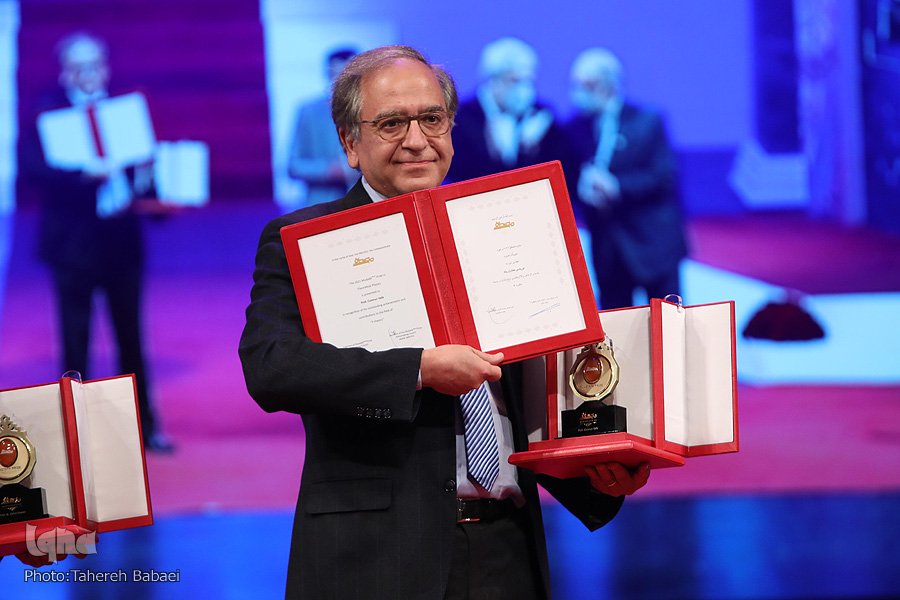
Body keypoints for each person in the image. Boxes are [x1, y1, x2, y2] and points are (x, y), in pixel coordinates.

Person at [239, 45, 650, 600]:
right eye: (391, 123)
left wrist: (597, 470)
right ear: (350, 143)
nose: (417, 140)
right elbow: (271, 367)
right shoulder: (307, 242)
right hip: (376, 555)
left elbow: (530, 393)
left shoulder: (498, 226)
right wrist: (419, 369)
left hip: (508, 549)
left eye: (432, 119)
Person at [20, 32, 172, 452]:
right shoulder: (45, 112)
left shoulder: (126, 112)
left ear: (106, 68)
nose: (88, 74)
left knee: (131, 338)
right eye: (78, 66)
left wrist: (157, 190)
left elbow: (146, 174)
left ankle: (145, 426)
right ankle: (75, 435)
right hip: (72, 244)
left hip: (121, 242)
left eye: (95, 65)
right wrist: (81, 175)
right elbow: (32, 171)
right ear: (65, 71)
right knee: (75, 341)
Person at [563, 48, 688, 309]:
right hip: (608, 249)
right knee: (616, 324)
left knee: (667, 322)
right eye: (576, 85)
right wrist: (582, 188)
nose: (579, 93)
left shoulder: (647, 121)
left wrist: (617, 186)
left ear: (609, 85)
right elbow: (568, 176)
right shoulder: (574, 128)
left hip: (653, 244)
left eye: (588, 85)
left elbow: (664, 176)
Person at [447, 37, 571, 183]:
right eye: (515, 81)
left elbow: (564, 172)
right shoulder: (462, 117)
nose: (525, 89)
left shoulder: (541, 116)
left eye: (529, 81)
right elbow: (457, 174)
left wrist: (529, 149)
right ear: (493, 80)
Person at [286, 47, 359, 207]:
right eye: (336, 73)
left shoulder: (370, 108)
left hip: (363, 202)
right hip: (322, 205)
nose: (340, 81)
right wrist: (329, 170)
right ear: (328, 74)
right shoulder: (309, 112)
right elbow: (293, 166)